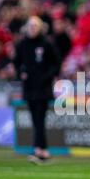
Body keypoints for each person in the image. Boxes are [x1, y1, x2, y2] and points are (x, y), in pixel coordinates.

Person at [14, 16, 61, 164]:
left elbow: (56, 63)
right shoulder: (22, 44)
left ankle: (37, 149)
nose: (32, 29)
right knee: (36, 120)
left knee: (39, 119)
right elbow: (16, 62)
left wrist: (47, 76)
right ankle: (43, 150)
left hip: (43, 89)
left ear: (40, 28)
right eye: (30, 26)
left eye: (35, 26)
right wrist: (20, 74)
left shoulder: (46, 43)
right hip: (29, 88)